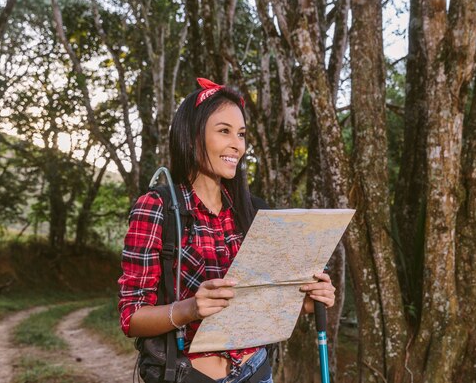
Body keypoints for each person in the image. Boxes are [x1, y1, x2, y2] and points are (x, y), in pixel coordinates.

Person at [118, 78, 336, 383]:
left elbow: (263, 301)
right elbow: (131, 317)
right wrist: (189, 309)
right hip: (190, 376)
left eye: (242, 134)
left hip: (257, 371)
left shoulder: (255, 212)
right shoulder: (157, 207)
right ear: (192, 136)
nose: (238, 144)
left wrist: (306, 301)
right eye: (224, 131)